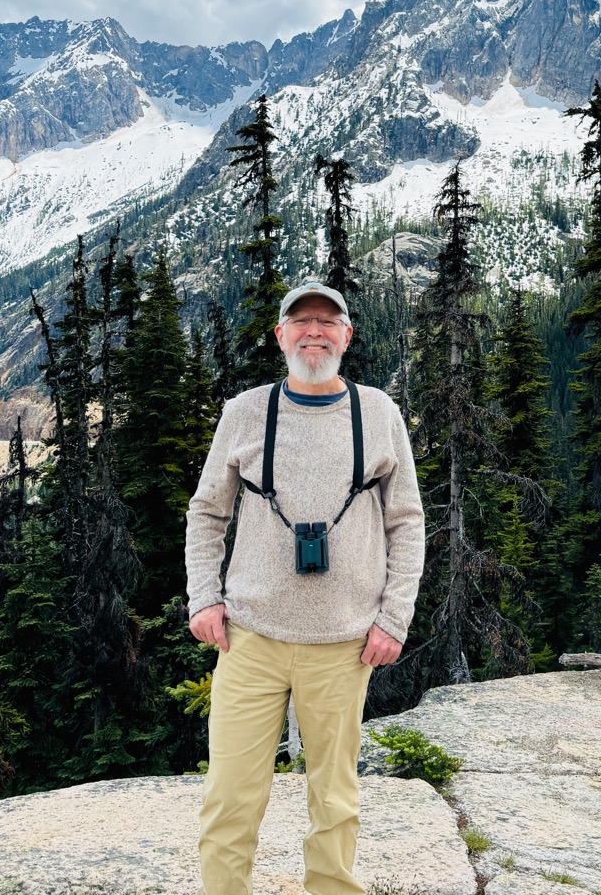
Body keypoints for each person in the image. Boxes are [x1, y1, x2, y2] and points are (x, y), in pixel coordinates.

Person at [185, 280, 424, 895]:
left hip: (345, 644)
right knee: (230, 799)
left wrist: (394, 619)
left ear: (347, 335)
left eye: (327, 321)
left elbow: (407, 521)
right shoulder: (244, 411)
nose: (313, 332)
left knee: (335, 800)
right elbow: (208, 511)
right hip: (250, 641)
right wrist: (204, 598)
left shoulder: (379, 414)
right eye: (301, 321)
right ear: (281, 335)